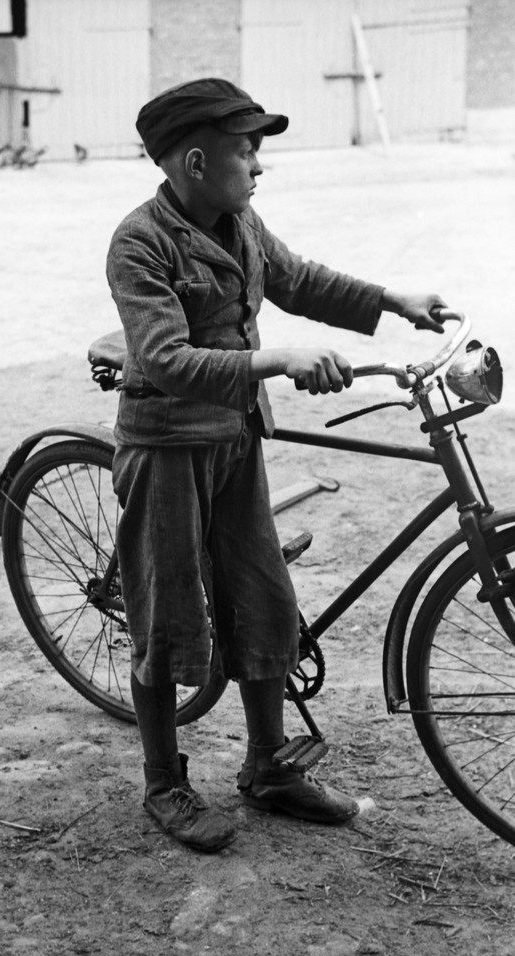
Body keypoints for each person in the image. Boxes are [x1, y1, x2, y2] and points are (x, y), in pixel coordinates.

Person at [106, 78, 445, 853]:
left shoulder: (239, 221)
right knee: (165, 612)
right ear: (195, 161)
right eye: (247, 150)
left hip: (233, 435)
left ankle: (268, 765)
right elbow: (165, 357)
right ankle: (164, 782)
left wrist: (395, 298)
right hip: (165, 446)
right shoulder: (140, 241)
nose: (260, 165)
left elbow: (298, 280)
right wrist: (275, 359)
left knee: (263, 595)